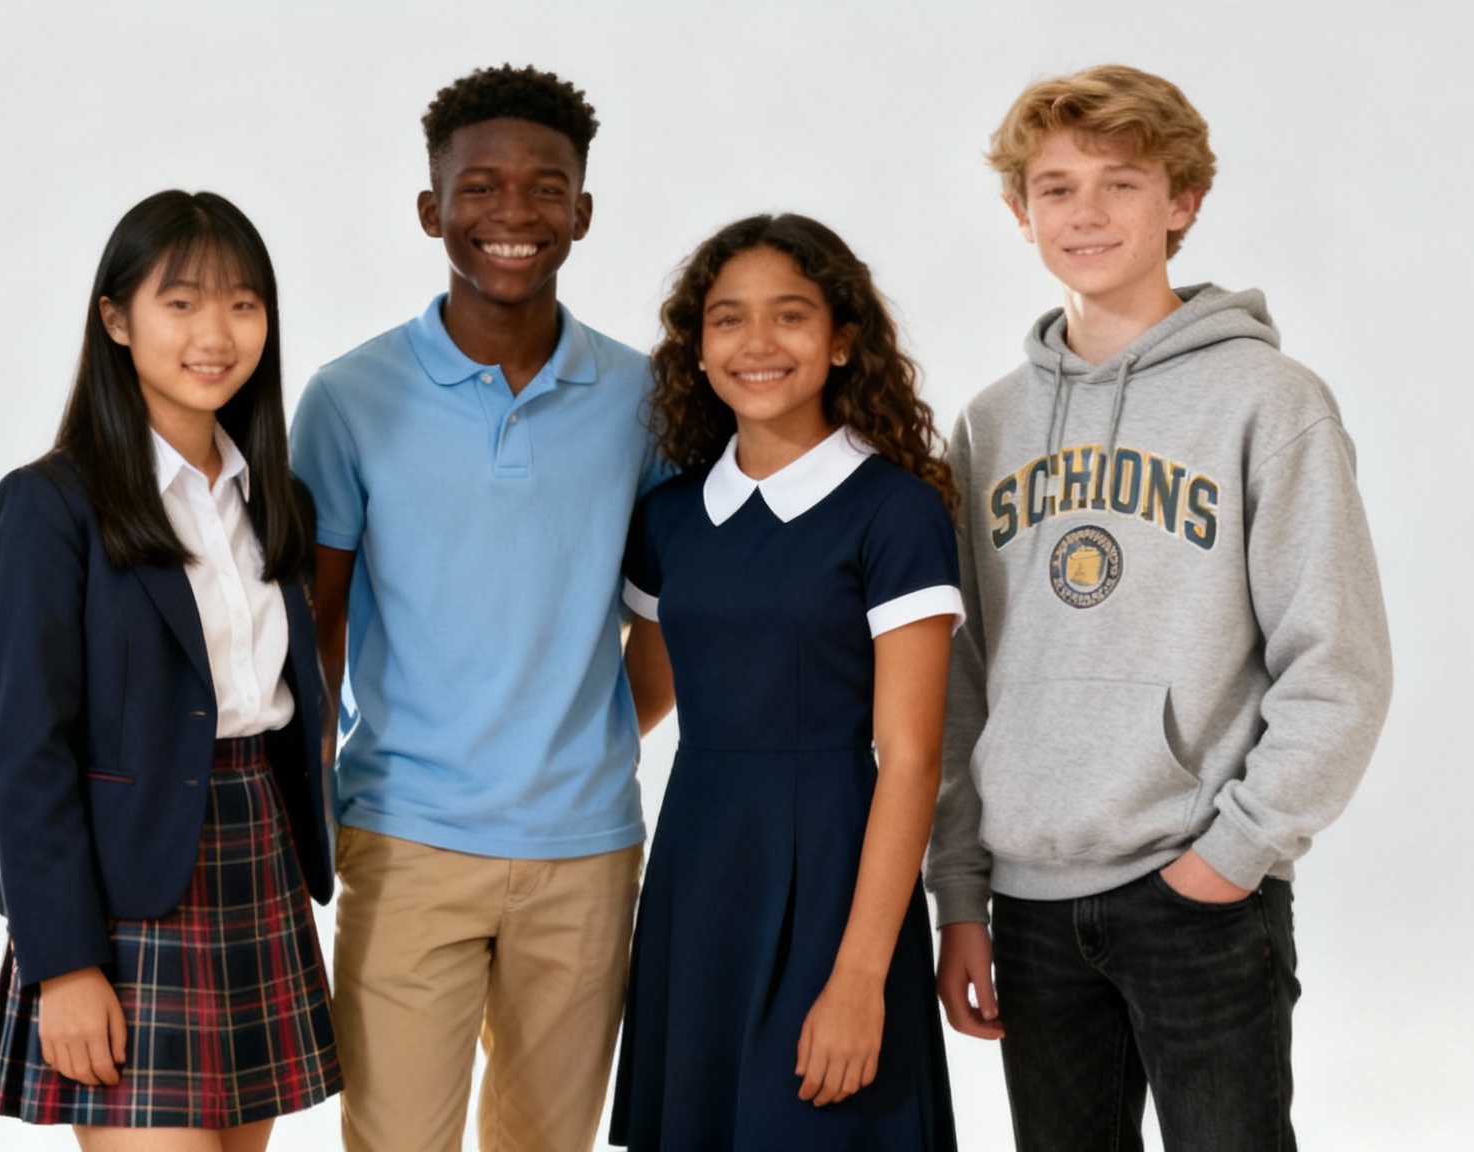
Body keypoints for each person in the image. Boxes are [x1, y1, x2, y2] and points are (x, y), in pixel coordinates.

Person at [927, 65, 1394, 1151]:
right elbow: (959, 676)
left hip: (1196, 890)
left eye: (1119, 183)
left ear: (1179, 202)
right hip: (1030, 902)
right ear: (1017, 213)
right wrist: (958, 894)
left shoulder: (1266, 402)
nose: (1084, 213)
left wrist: (1229, 856)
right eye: (1054, 188)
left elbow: (1337, 663)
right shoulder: (988, 425)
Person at [287, 65, 668, 1152]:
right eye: (480, 187)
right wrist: (304, 813)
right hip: (405, 841)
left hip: (586, 848)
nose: (513, 214)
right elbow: (317, 627)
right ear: (430, 209)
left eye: (545, 188)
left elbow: (670, 613)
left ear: (582, 213)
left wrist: (581, 729)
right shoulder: (347, 399)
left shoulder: (643, 401)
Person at [0, 190, 342, 1150]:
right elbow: (26, 754)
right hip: (123, 891)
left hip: (253, 853)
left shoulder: (276, 497)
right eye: (180, 303)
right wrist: (63, 964)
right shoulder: (51, 506)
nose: (216, 333)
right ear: (115, 318)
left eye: (243, 303)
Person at [610, 214, 962, 1152]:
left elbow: (914, 757)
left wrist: (857, 977)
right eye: (727, 320)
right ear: (698, 346)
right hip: (697, 869)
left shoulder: (896, 511)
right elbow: (636, 704)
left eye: (791, 316)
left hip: (837, 871)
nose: (757, 344)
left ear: (844, 340)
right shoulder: (673, 515)